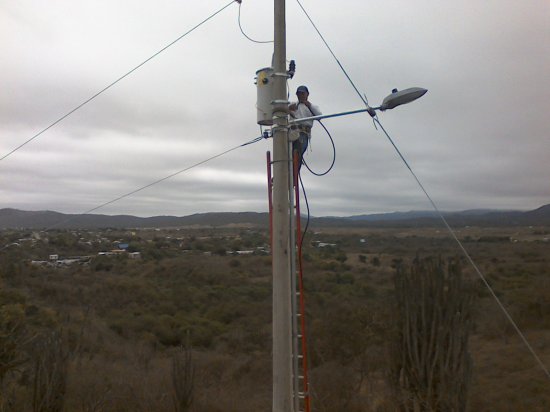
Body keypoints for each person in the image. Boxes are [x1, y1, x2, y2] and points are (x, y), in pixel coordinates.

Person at [289, 85, 322, 169]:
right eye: (299, 94)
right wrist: (288, 108)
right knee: (288, 155)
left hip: (303, 134)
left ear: (307, 94)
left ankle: (294, 174)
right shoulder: (292, 105)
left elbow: (319, 116)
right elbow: (280, 110)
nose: (301, 95)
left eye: (303, 94)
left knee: (297, 153)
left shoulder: (312, 107)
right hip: (291, 133)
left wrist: (309, 105)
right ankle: (288, 174)